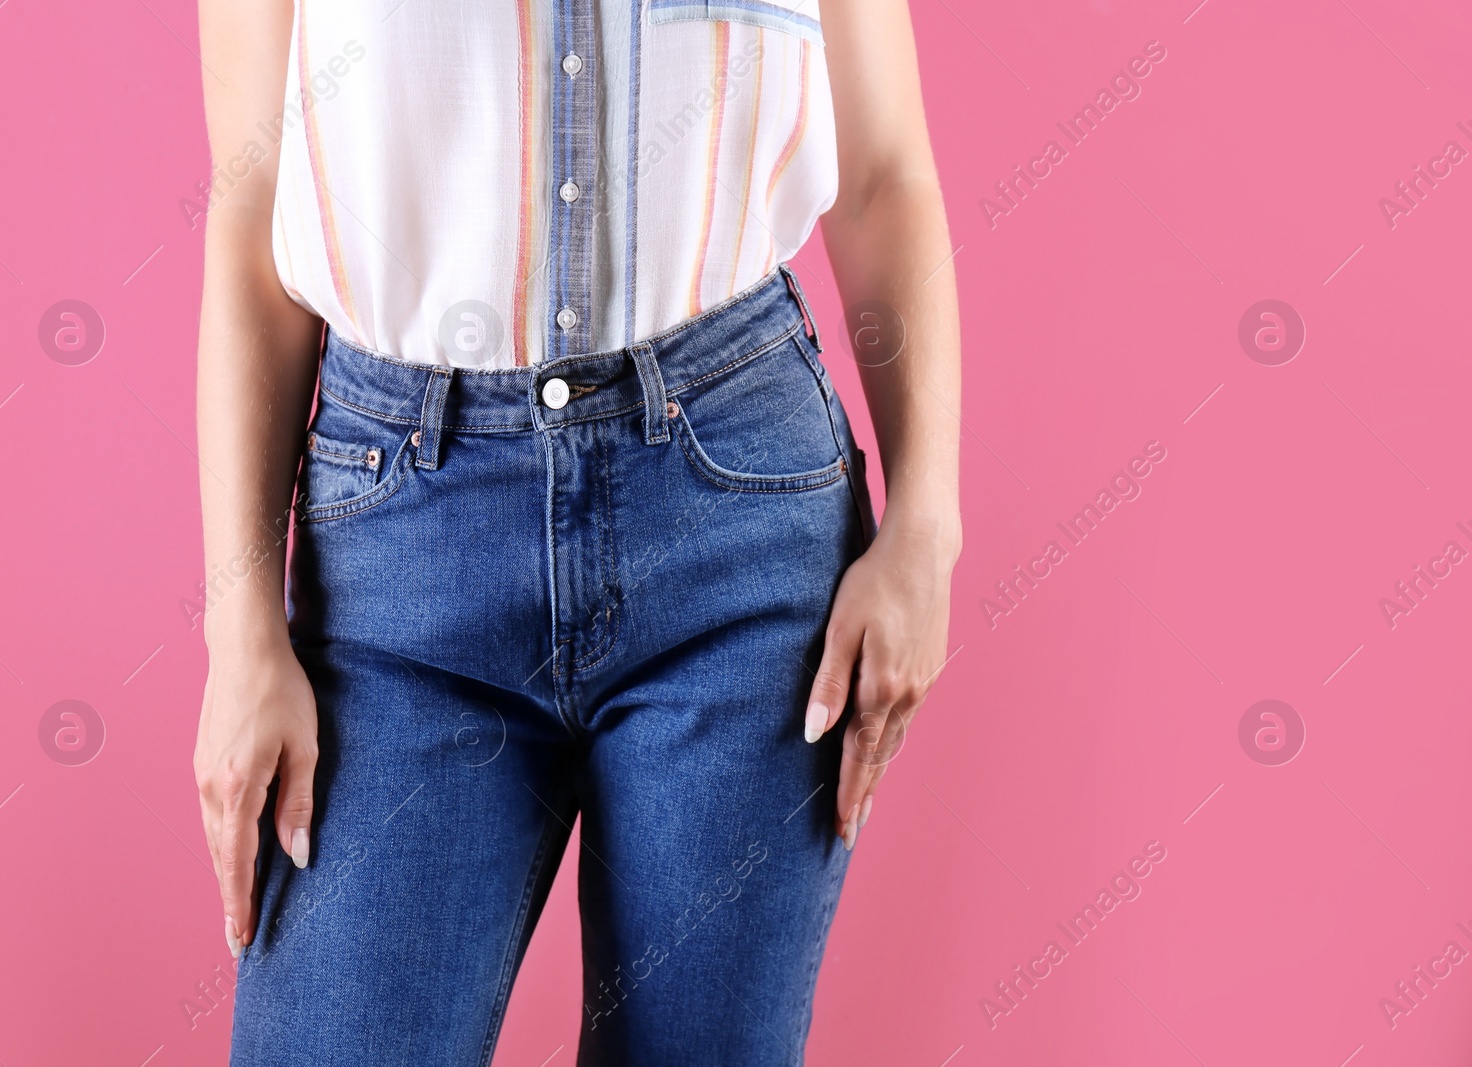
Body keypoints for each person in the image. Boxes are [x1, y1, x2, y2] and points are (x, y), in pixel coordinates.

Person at [191, 0, 960, 1062]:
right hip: (400, 554)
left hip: (733, 518)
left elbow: (884, 175)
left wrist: (927, 524)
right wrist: (239, 635)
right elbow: (252, 215)